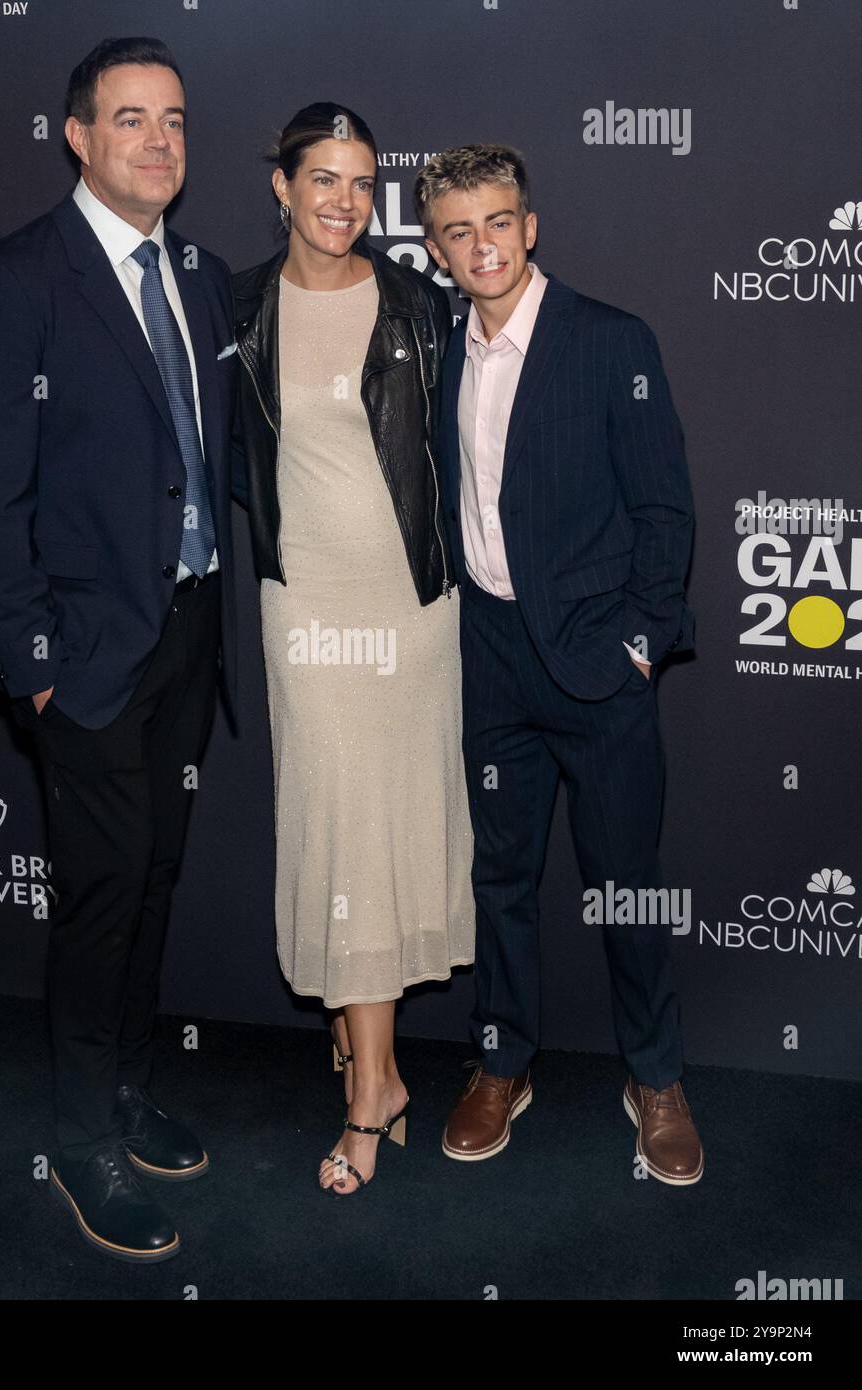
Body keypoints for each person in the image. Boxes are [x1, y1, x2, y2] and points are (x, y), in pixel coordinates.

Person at [0, 37, 241, 1260]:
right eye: (128, 120)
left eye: (172, 120)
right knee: (102, 898)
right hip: (88, 652)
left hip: (190, 630)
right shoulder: (19, 277)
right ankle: (79, 1138)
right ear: (77, 137)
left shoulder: (201, 274)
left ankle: (121, 1091)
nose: (157, 142)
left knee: (156, 879)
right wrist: (37, 658)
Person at [415, 144, 704, 1184]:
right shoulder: (438, 349)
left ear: (528, 226)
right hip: (488, 656)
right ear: (438, 247)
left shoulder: (607, 341)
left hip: (595, 664)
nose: (480, 245)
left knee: (625, 886)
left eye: (497, 222)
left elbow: (664, 512)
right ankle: (502, 1063)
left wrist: (635, 644)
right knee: (498, 880)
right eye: (457, 230)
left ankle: (654, 1077)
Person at [232, 104, 474, 1195]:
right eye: (320, 178)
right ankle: (360, 1049)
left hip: (403, 609)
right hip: (302, 604)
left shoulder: (420, 305)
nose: (341, 200)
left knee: (372, 834)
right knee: (330, 824)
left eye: (359, 182)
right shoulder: (235, 305)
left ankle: (371, 1087)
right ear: (279, 186)